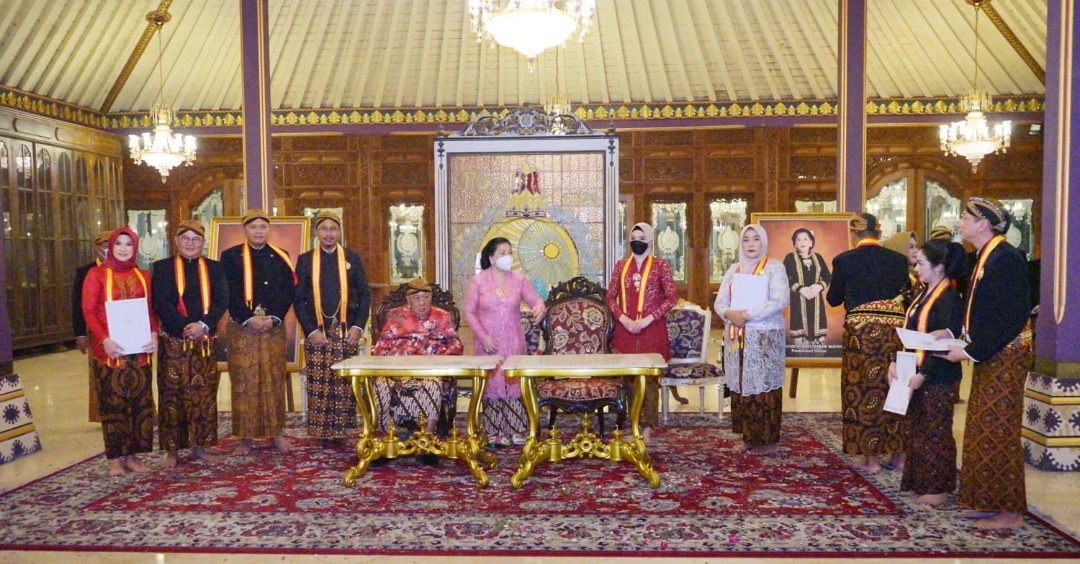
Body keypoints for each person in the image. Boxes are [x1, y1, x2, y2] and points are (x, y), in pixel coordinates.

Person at [939, 197, 1032, 530]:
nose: (960, 221)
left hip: (1005, 354)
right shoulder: (984, 255)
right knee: (982, 427)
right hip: (990, 352)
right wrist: (955, 336)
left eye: (966, 217)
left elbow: (1008, 318)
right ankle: (986, 500)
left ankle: (1010, 511)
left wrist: (969, 351)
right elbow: (979, 310)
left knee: (999, 430)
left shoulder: (1006, 259)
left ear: (983, 224)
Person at [826, 212, 910, 474]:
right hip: (895, 334)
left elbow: (833, 299)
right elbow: (907, 295)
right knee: (896, 388)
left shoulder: (844, 260)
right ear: (880, 232)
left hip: (861, 336)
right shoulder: (899, 260)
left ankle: (871, 460)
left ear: (853, 234)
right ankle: (899, 456)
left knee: (864, 390)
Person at [887, 239, 965, 506]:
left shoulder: (949, 298)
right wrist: (894, 363)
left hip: (938, 376)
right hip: (914, 370)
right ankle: (920, 481)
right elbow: (909, 333)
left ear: (938, 266)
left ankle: (938, 487)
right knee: (917, 429)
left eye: (921, 263)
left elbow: (944, 345)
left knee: (935, 431)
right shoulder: (922, 293)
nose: (916, 268)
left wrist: (924, 375)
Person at [151, 219, 229, 468]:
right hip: (173, 341)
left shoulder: (214, 268)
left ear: (203, 243)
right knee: (172, 396)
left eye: (196, 239)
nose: (190, 243)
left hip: (204, 341)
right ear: (176, 241)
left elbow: (222, 300)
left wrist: (203, 325)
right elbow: (160, 302)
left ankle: (200, 447)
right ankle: (172, 451)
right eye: (185, 238)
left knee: (203, 395)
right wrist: (185, 326)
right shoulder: (162, 268)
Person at [81, 227, 158, 476]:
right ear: (110, 247)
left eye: (128, 244)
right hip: (110, 352)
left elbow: (150, 311)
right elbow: (89, 311)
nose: (123, 249)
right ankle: (115, 460)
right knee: (113, 406)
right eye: (118, 244)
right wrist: (104, 339)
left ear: (135, 248)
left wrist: (153, 334)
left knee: (139, 404)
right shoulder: (96, 275)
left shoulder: (143, 275)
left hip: (139, 351)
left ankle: (133, 457)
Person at [221, 209, 297, 456]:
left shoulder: (281, 255)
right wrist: (248, 318)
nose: (258, 231)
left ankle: (276, 434)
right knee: (244, 382)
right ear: (245, 229)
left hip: (273, 328)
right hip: (243, 329)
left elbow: (288, 290)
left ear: (269, 229)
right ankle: (245, 437)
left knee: (273, 380)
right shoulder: (231, 256)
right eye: (253, 227)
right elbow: (227, 292)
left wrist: (273, 318)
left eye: (263, 226)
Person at [294, 210, 371, 448]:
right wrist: (310, 331)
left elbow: (365, 294)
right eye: (324, 229)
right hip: (317, 332)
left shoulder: (352, 258)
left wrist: (357, 327)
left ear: (339, 232)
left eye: (333, 229)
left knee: (343, 383)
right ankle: (320, 432)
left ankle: (342, 431)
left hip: (346, 332)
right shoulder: (306, 260)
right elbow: (298, 299)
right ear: (316, 232)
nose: (328, 234)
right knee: (320, 382)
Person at [463, 237, 545, 447]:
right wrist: (483, 336)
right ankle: (494, 431)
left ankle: (517, 429)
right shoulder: (478, 281)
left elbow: (535, 300)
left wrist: (539, 306)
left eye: (509, 252)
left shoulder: (519, 279)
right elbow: (469, 312)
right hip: (488, 343)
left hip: (513, 342)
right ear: (491, 258)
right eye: (502, 252)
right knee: (492, 384)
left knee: (514, 383)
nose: (507, 256)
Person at [714, 224, 789, 454]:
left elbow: (779, 301)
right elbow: (719, 302)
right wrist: (729, 313)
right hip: (737, 339)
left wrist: (746, 315)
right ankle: (748, 436)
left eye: (755, 239)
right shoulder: (734, 269)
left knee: (763, 388)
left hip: (764, 339)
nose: (750, 244)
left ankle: (767, 440)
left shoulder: (774, 267)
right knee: (742, 386)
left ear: (763, 242)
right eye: (746, 239)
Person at [371, 278, 464, 463]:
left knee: (432, 385)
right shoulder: (395, 316)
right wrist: (394, 358)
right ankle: (387, 441)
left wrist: (435, 355)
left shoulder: (441, 316)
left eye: (426, 297)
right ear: (408, 300)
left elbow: (456, 345)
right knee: (381, 384)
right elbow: (381, 346)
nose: (422, 302)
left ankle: (426, 443)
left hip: (429, 369)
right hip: (399, 369)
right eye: (417, 298)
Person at [605, 222, 677, 445]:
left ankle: (647, 431)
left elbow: (671, 298)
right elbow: (610, 297)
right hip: (626, 330)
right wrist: (622, 318)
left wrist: (648, 318)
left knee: (649, 381)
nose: (637, 241)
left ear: (650, 241)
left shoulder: (660, 265)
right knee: (629, 381)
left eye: (642, 238)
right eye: (633, 238)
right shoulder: (621, 266)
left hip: (651, 330)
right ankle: (634, 428)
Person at [72, 230, 112, 423]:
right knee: (100, 371)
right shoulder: (85, 271)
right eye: (106, 245)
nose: (110, 249)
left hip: (124, 328)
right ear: (97, 248)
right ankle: (103, 412)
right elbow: (77, 304)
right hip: (97, 331)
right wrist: (80, 333)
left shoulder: (130, 267)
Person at [783, 227, 831, 349]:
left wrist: (819, 286)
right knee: (800, 341)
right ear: (794, 243)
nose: (802, 242)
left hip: (816, 301)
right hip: (798, 301)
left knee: (818, 341)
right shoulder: (790, 258)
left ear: (811, 242)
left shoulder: (818, 257)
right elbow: (784, 277)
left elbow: (827, 276)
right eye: (798, 239)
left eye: (805, 239)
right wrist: (800, 288)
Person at [883, 230, 921, 302]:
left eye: (916, 246)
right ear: (898, 249)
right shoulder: (893, 277)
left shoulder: (917, 273)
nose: (916, 251)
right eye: (911, 247)